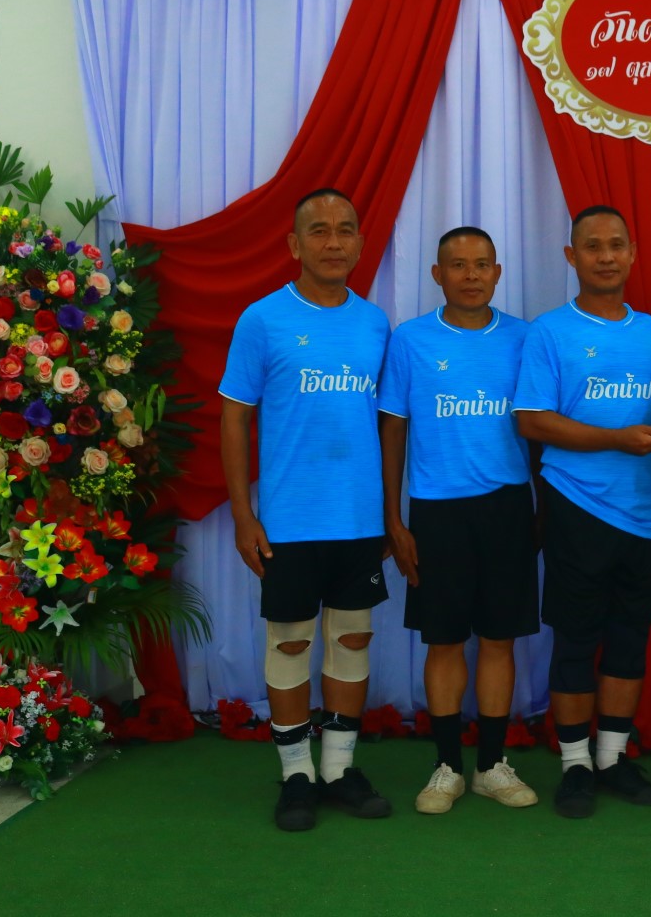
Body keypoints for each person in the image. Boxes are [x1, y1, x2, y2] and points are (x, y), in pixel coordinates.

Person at [220, 188, 393, 831]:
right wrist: (243, 514)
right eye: (318, 231)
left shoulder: (375, 324)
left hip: (358, 519)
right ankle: (296, 774)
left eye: (345, 229)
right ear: (295, 244)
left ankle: (338, 769)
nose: (333, 242)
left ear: (360, 243)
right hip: (288, 521)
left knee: (351, 639)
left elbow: (387, 424)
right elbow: (234, 418)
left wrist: (388, 513)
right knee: (290, 642)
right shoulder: (262, 320)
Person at [513, 205, 651, 819]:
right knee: (577, 639)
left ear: (632, 253)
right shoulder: (549, 332)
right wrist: (615, 440)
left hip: (642, 512)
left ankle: (612, 758)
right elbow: (533, 421)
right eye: (592, 246)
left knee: (630, 636)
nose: (606, 256)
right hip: (575, 505)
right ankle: (576, 765)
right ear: (571, 256)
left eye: (616, 245)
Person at [379, 226, 540, 814]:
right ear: (437, 274)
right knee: (443, 641)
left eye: (481, 264)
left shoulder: (524, 338)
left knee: (499, 639)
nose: (471, 275)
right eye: (458, 265)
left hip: (507, 508)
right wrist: (394, 519)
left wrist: (542, 508)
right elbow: (393, 429)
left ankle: (492, 765)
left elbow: (538, 429)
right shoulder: (410, 340)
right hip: (436, 512)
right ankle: (447, 766)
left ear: (498, 273)